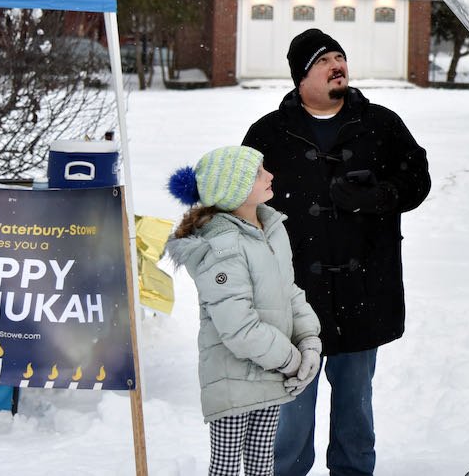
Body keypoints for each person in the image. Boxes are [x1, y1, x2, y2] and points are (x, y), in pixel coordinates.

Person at [242, 29, 431, 476]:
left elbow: (416, 180)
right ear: (301, 76)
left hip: (363, 289)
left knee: (355, 410)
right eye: (323, 60)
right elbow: (239, 201)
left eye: (339, 56)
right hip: (289, 296)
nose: (336, 64)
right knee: (289, 411)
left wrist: (379, 196)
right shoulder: (268, 133)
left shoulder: (381, 125)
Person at [165, 145, 323, 476]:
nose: (270, 175)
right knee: (226, 467)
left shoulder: (271, 228)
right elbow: (238, 327)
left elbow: (289, 291)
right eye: (257, 173)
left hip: (271, 372)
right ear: (232, 190)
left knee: (261, 464)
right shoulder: (222, 245)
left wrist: (308, 341)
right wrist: (292, 362)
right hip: (233, 379)